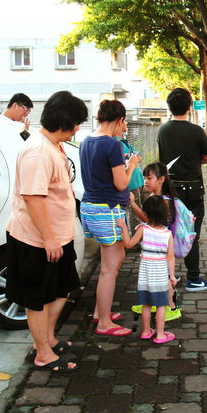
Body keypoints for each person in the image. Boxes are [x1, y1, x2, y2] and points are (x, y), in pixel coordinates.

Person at [5, 90, 88, 372]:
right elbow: (32, 198)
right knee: (38, 298)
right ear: (64, 122)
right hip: (36, 240)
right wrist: (50, 238)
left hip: (57, 237)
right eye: (76, 123)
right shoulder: (38, 152)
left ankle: (49, 339)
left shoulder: (54, 145)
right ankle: (42, 353)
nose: (78, 129)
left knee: (62, 289)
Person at [80, 100, 141, 336]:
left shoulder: (87, 140)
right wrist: (133, 164)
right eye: (124, 124)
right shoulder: (112, 145)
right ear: (119, 120)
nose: (124, 129)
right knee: (109, 267)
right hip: (107, 209)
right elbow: (121, 183)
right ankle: (104, 321)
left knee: (114, 261)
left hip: (90, 208)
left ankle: (100, 311)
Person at [157, 88, 207, 292]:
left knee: (169, 232)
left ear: (169, 106)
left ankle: (169, 275)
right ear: (189, 107)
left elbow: (160, 157)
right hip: (193, 190)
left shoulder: (162, 130)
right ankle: (194, 278)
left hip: (170, 189)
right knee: (191, 233)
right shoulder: (196, 131)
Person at [116, 195, 177, 344]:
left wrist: (124, 227)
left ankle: (145, 330)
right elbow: (170, 257)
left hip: (145, 276)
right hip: (161, 277)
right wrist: (172, 276)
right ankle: (160, 334)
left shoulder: (143, 229)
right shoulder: (167, 234)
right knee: (161, 305)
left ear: (146, 214)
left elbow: (129, 244)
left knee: (146, 304)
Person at [128, 162, 182, 321]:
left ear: (161, 179)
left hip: (163, 246)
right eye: (145, 177)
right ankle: (154, 302)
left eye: (149, 178)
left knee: (166, 277)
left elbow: (147, 218)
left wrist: (132, 204)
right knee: (156, 276)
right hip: (157, 246)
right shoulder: (156, 197)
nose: (145, 181)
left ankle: (171, 307)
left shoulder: (163, 200)